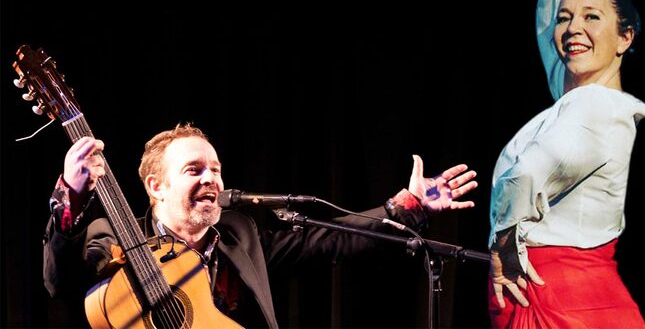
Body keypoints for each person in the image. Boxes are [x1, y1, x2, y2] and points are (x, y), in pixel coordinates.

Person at [43, 122, 478, 328]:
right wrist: (72, 196)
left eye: (215, 169)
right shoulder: (116, 236)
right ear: (156, 185)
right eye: (194, 170)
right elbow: (59, 282)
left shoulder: (239, 235)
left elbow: (331, 241)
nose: (211, 178)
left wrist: (405, 206)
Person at [487, 0, 645, 327]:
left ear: (624, 38)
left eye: (591, 17)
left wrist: (502, 246)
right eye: (567, 18)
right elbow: (548, 25)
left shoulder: (596, 109)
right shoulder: (577, 98)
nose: (572, 27)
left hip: (562, 299)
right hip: (555, 290)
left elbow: (525, 176)